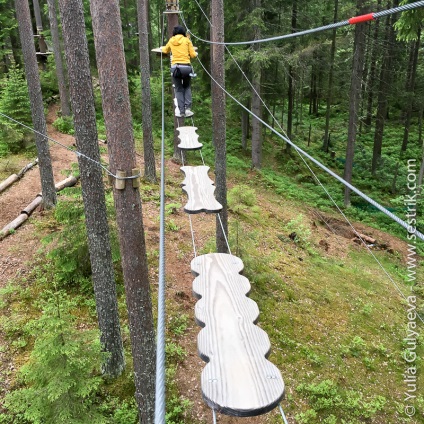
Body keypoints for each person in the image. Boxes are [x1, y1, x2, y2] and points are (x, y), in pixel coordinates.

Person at [162, 26, 197, 118]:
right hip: (186, 67)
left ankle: (181, 111)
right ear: (183, 32)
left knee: (178, 89)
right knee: (187, 87)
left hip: (175, 68)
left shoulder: (171, 40)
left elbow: (165, 50)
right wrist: (194, 53)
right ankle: (187, 109)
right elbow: (193, 55)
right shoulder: (187, 40)